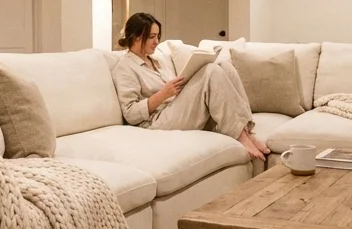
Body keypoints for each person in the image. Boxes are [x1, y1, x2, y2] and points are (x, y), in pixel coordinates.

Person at [111, 13, 271, 161]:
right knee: (211, 71)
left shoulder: (156, 61)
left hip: (174, 107)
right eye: (151, 37)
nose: (157, 42)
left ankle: (246, 132)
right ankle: (240, 136)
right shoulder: (125, 67)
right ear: (137, 37)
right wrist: (163, 94)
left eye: (157, 36)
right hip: (155, 121)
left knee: (224, 66)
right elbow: (130, 113)